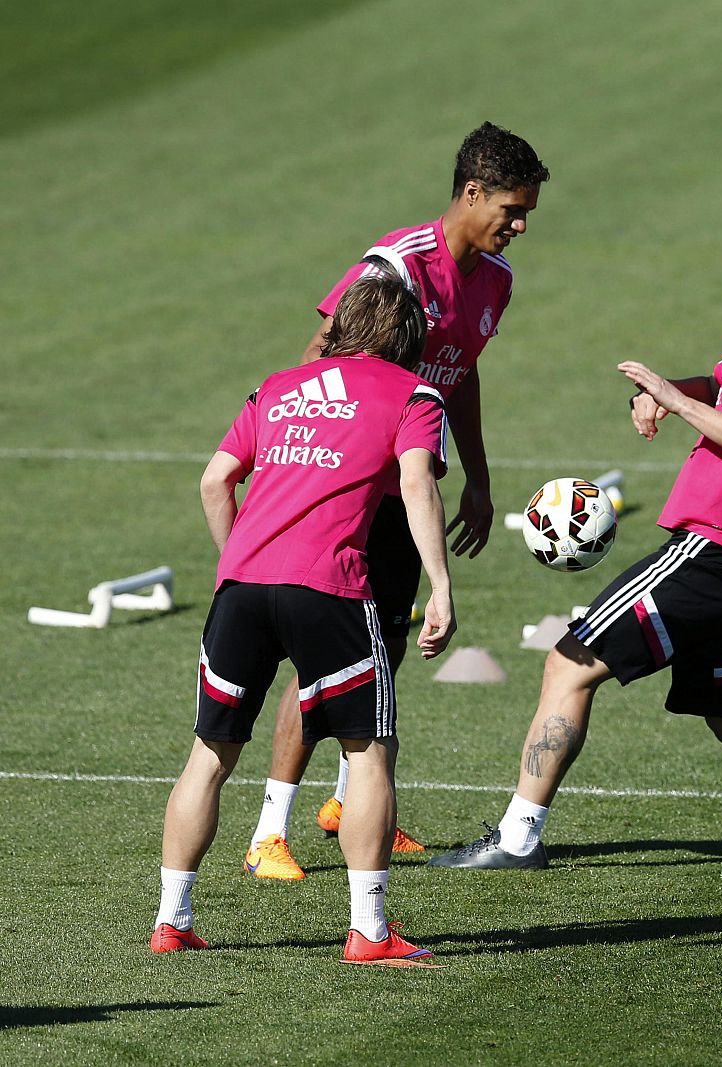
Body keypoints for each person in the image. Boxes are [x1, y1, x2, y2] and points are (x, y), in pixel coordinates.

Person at [427, 193, 722, 873]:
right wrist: (671, 390)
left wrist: (677, 404)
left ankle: (517, 836)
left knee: (568, 662)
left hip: (715, 549)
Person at [242, 122, 550, 879]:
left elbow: (462, 371)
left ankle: (350, 803)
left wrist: (476, 475)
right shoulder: (396, 264)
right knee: (323, 655)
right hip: (352, 490)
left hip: (411, 487)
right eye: (510, 209)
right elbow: (321, 355)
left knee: (380, 645)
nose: (517, 226)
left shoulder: (496, 279)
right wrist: (308, 467)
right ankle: (266, 832)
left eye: (526, 215)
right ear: (470, 192)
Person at [151, 275, 457, 964]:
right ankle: (370, 931)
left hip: (243, 586)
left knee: (210, 754)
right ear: (408, 340)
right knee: (368, 750)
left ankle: (172, 919)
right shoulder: (415, 396)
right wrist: (439, 585)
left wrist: (237, 563)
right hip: (331, 589)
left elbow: (213, 480)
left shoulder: (279, 385)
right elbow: (416, 484)